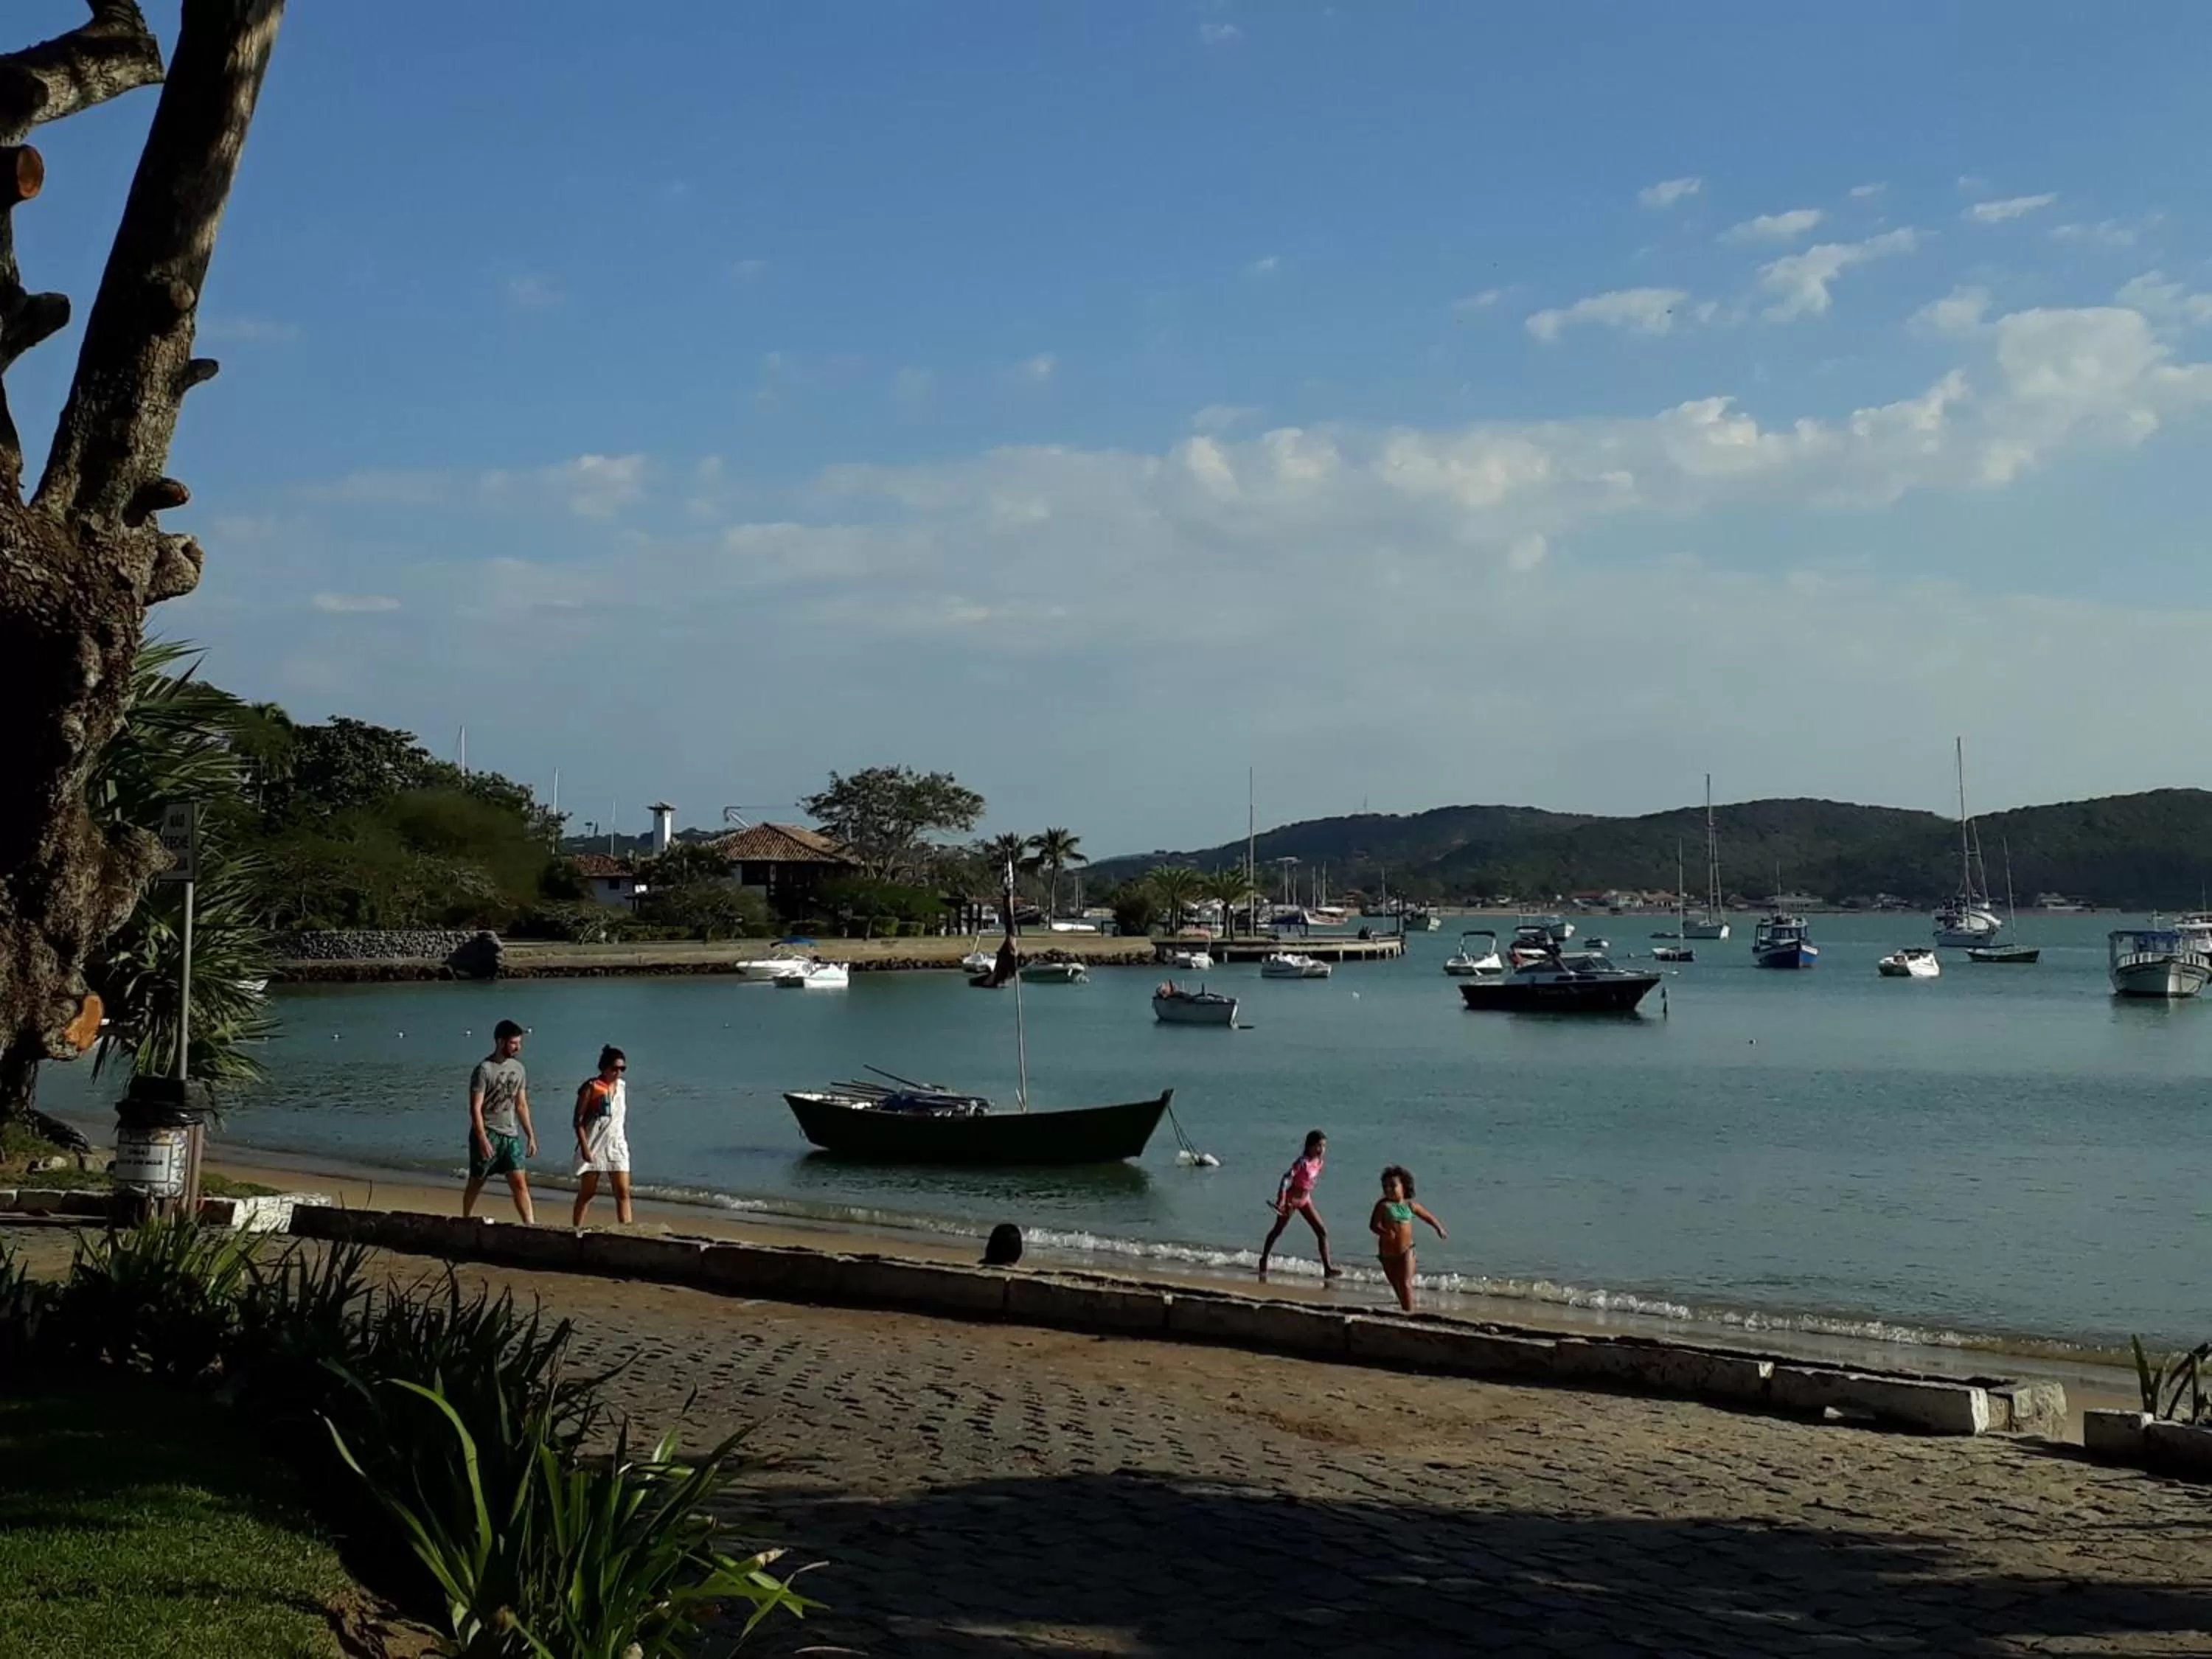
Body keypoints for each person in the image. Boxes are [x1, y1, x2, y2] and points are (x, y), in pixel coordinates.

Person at [462, 1019, 538, 1222]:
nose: (518, 1047)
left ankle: (530, 1224)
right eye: (513, 1043)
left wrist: (530, 1135)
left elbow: (521, 1104)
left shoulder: (519, 1069)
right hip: (488, 1132)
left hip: (510, 1135)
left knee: (520, 1182)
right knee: (477, 1181)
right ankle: (465, 1217)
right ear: (500, 1042)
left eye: (519, 1043)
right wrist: (482, 1138)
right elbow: (475, 1108)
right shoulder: (484, 1070)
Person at [1259, 1130, 1340, 1278]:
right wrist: (1282, 1198)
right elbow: (1286, 1178)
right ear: (1310, 1146)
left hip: (1305, 1200)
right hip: (1291, 1200)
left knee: (1322, 1232)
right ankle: (1264, 1259)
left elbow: (1308, 1182)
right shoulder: (1302, 1162)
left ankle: (1328, 1269)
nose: (1322, 1149)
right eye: (1318, 1146)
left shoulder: (1320, 1162)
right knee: (1278, 1230)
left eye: (1324, 1146)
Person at [1369, 1164, 1447, 1312]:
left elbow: (1427, 1216)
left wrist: (1439, 1228)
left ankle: (1410, 1314)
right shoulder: (1383, 1206)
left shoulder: (1410, 1206)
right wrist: (1384, 1232)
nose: (1388, 1190)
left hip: (1407, 1250)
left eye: (1393, 1186)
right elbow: (1373, 1225)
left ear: (1404, 1187)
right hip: (1387, 1255)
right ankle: (1405, 1311)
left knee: (1405, 1283)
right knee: (1397, 1286)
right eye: (1385, 1186)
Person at [571, 1044, 632, 1226]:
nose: (618, 1073)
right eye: (614, 1069)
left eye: (622, 1069)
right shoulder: (591, 1087)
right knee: (588, 1192)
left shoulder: (621, 1087)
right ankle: (577, 1228)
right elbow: (578, 1120)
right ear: (604, 1068)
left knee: (623, 1192)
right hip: (594, 1143)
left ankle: (626, 1231)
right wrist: (584, 1147)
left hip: (617, 1144)